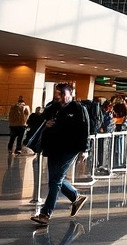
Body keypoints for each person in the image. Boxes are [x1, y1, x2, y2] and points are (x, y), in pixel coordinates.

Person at [31, 82, 91, 225]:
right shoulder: (52, 108)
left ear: (71, 94)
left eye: (62, 94)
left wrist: (85, 149)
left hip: (70, 148)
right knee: (54, 178)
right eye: (57, 93)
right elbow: (40, 122)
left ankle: (45, 214)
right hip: (53, 147)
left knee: (56, 179)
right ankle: (75, 197)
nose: (59, 97)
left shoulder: (78, 109)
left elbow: (85, 129)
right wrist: (46, 124)